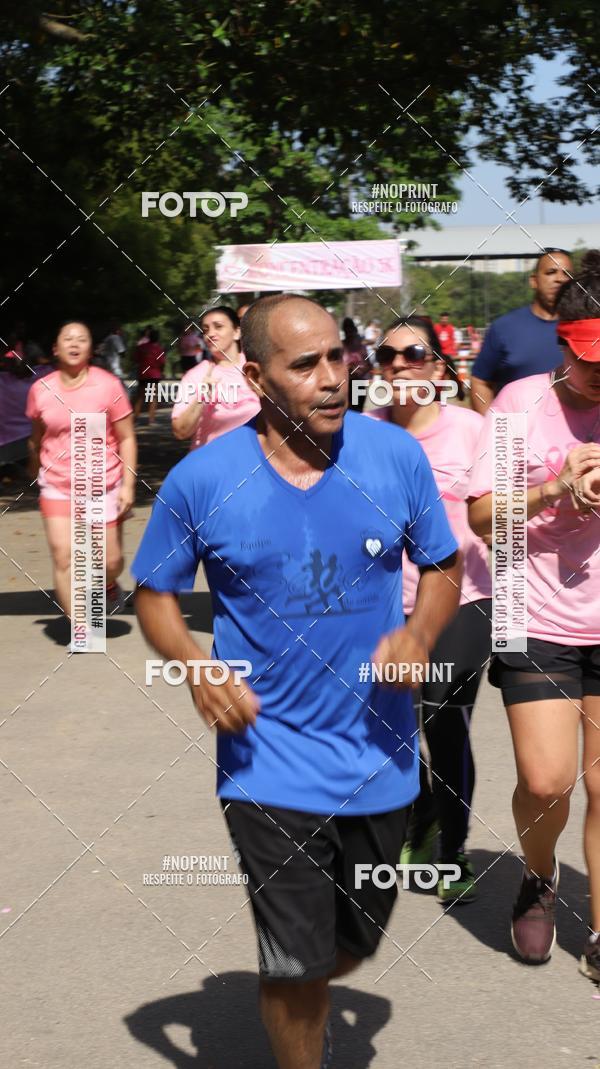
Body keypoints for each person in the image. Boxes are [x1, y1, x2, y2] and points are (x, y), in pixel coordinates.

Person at [133, 294, 462, 1069]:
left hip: (379, 758)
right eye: (304, 364)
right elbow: (154, 591)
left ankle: (303, 978)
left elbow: (443, 565)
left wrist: (418, 633)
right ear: (255, 375)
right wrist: (195, 662)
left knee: (350, 945)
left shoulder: (394, 457)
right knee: (298, 963)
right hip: (265, 757)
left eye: (338, 357)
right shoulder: (202, 479)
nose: (331, 378)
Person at [467, 249, 600, 982]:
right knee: (548, 780)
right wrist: (553, 490)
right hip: (531, 606)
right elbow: (485, 517)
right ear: (564, 341)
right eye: (589, 359)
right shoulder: (520, 405)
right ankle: (539, 872)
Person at [366, 315, 492, 901]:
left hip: (463, 598)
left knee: (442, 713)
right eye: (385, 356)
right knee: (381, 722)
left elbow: (498, 520)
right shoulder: (358, 435)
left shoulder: (471, 429)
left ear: (438, 368)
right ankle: (423, 805)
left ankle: (453, 852)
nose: (396, 365)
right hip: (382, 605)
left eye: (411, 353)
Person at [26, 321, 136, 617]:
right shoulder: (40, 389)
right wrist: (34, 472)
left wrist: (127, 485)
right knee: (64, 558)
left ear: (91, 348)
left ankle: (109, 583)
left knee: (109, 562)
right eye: (68, 339)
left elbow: (126, 438)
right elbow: (36, 439)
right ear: (56, 348)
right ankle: (82, 627)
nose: (74, 344)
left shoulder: (108, 385)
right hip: (57, 485)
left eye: (82, 339)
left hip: (103, 484)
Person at [470, 248, 573, 414]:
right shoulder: (504, 327)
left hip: (574, 436)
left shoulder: (585, 328)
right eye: (551, 272)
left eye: (567, 274)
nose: (560, 279)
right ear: (534, 280)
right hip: (518, 434)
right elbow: (480, 382)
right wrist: (493, 427)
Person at [171, 305, 259, 449]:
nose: (210, 334)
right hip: (212, 466)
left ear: (237, 332)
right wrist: (201, 397)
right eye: (205, 330)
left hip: (256, 463)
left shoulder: (256, 368)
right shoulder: (196, 376)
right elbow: (180, 432)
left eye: (218, 327)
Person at [133, 328, 165, 425]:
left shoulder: (141, 347)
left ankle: (135, 420)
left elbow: (135, 359)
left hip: (143, 374)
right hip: (154, 375)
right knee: (152, 397)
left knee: (140, 398)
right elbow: (162, 362)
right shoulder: (159, 349)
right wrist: (162, 372)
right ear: (157, 338)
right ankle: (151, 420)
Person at [341, 317, 370, 411]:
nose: (349, 333)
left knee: (357, 412)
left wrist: (358, 371)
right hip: (344, 384)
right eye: (346, 330)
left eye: (350, 329)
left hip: (358, 383)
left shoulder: (361, 347)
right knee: (345, 412)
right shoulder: (340, 346)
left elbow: (368, 365)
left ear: (354, 330)